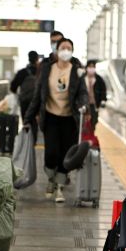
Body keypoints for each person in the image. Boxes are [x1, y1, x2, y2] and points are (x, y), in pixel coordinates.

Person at [23, 38, 90, 203]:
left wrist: (84, 105)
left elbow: (83, 93)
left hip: (70, 118)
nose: (66, 50)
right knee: (51, 153)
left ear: (72, 52)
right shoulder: (47, 70)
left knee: (65, 155)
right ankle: (51, 178)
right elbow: (38, 95)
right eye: (63, 47)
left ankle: (59, 188)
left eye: (69, 48)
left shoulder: (77, 71)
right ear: (57, 51)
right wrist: (27, 118)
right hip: (51, 117)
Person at [10, 51, 40, 138]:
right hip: (37, 102)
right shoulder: (41, 72)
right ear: (37, 59)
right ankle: (33, 140)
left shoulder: (22, 72)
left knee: (26, 121)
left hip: (25, 102)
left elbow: (12, 87)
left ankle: (27, 140)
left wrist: (19, 95)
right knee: (35, 122)